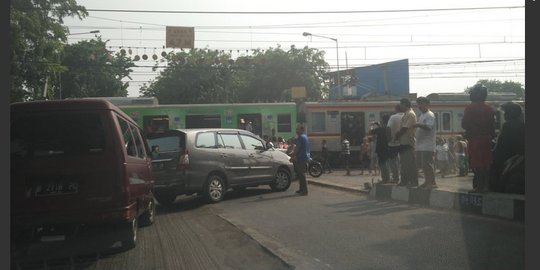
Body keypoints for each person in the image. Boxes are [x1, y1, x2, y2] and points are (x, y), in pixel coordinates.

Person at [461, 83, 495, 193]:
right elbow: (493, 125)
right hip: (487, 139)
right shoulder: (489, 108)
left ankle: (480, 186)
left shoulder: (470, 108)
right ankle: (487, 186)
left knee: (478, 163)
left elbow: (465, 124)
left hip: (475, 139)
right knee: (486, 163)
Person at [490, 102, 525, 194]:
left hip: (509, 157)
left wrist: (492, 153)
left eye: (506, 112)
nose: (504, 114)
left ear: (511, 113)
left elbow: (500, 145)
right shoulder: (522, 125)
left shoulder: (508, 125)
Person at [414, 96, 437, 189]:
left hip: (428, 144)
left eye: (422, 103)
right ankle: (428, 181)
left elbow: (429, 127)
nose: (420, 106)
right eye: (418, 104)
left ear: (427, 104)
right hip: (421, 145)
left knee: (427, 164)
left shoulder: (429, 115)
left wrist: (418, 124)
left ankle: (432, 183)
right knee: (424, 166)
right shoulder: (422, 115)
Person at [395, 98, 418, 187]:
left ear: (405, 104)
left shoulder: (411, 114)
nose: (400, 106)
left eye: (401, 104)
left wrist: (397, 135)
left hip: (408, 142)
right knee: (404, 164)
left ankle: (412, 181)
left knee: (409, 164)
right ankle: (405, 181)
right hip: (404, 142)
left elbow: (405, 128)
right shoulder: (406, 114)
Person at [290, 124, 310, 196]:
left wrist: (292, 157)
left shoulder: (301, 137)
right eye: (296, 129)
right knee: (300, 174)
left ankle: (304, 191)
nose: (296, 131)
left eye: (298, 129)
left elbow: (297, 148)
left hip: (301, 158)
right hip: (304, 157)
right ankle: (301, 189)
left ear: (302, 130)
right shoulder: (305, 137)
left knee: (301, 175)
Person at [386, 104, 404, 183]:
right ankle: (403, 178)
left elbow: (388, 128)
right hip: (403, 142)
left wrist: (389, 139)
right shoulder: (406, 116)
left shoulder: (393, 117)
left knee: (392, 161)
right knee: (402, 161)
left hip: (393, 143)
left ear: (396, 109)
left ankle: (395, 177)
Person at [371, 115, 391, 183]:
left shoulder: (379, 129)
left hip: (380, 149)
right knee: (386, 164)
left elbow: (370, 131)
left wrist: (372, 125)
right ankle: (387, 178)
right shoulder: (388, 128)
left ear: (383, 121)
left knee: (382, 164)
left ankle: (385, 179)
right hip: (387, 148)